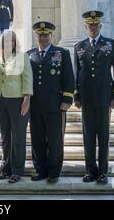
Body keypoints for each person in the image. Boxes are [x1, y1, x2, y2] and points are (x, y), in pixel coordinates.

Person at [74, 11, 114, 185]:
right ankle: (90, 171)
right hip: (86, 98)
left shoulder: (110, 44)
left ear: (100, 26)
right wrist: (76, 95)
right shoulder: (79, 46)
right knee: (88, 137)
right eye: (89, 25)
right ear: (86, 27)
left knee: (103, 137)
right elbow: (76, 73)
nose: (92, 28)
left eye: (95, 25)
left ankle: (102, 172)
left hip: (104, 97)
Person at [28, 21, 75, 184]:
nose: (43, 38)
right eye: (40, 35)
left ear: (50, 35)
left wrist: (67, 99)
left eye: (45, 35)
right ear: (36, 36)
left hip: (55, 105)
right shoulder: (30, 54)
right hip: (35, 105)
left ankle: (54, 172)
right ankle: (41, 170)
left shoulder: (62, 53)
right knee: (37, 139)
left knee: (55, 139)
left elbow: (69, 77)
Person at [0, 30, 33, 183]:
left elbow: (27, 78)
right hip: (0, 100)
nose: (9, 43)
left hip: (18, 100)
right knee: (5, 136)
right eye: (6, 40)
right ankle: (5, 168)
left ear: (15, 42)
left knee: (18, 136)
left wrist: (27, 98)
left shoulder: (23, 57)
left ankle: (17, 170)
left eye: (11, 40)